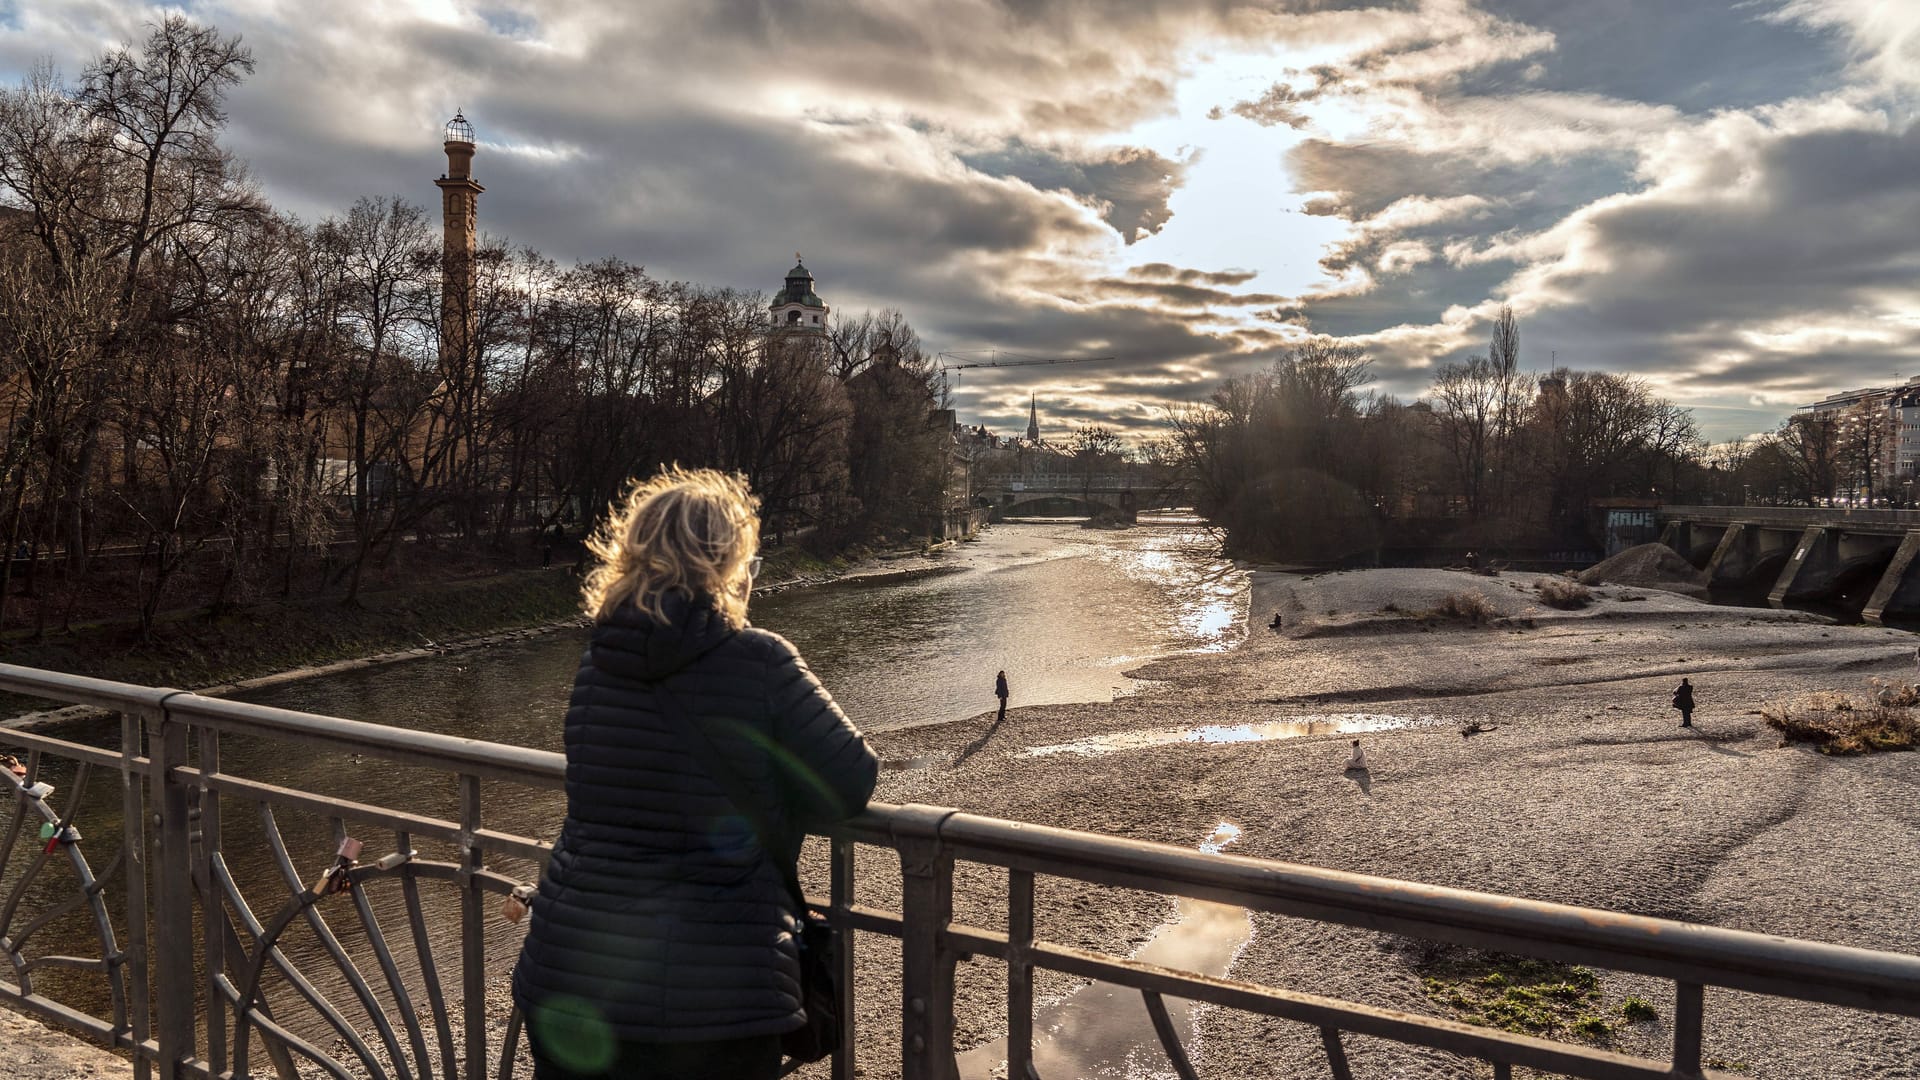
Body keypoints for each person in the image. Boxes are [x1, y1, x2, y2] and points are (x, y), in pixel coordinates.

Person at [511, 467, 878, 1080]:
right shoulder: (758, 657)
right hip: (714, 1001)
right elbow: (851, 779)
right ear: (728, 564)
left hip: (570, 976)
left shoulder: (598, 663)